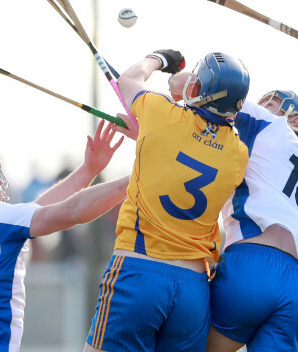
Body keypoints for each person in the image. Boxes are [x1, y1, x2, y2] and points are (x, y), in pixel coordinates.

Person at [84, 49, 250, 352]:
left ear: (198, 88)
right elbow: (194, 146)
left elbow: (129, 80)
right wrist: (148, 133)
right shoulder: (238, 153)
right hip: (193, 288)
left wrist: (159, 58)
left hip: (139, 270)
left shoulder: (160, 111)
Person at [0, 121, 128, 352]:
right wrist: (132, 182)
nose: (0, 183)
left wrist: (88, 169)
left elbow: (38, 209)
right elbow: (72, 212)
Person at [206, 90, 298, 352]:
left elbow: (210, 88)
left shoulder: (269, 124)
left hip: (251, 263)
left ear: (295, 120)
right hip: (295, 285)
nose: (261, 105)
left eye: (271, 102)